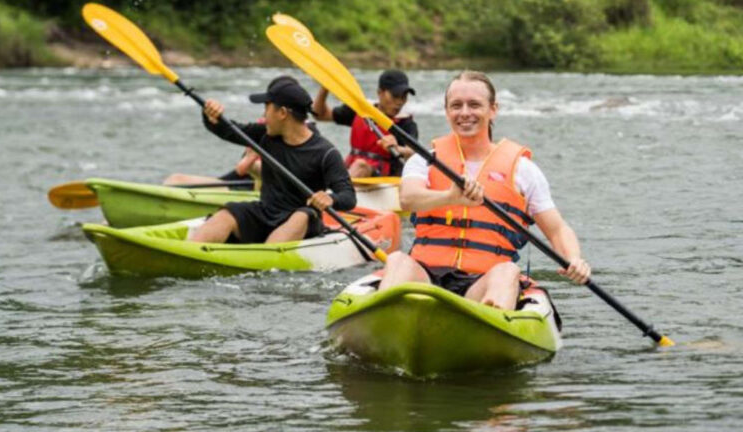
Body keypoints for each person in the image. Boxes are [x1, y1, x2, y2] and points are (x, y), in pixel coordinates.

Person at [379, 70, 590, 309]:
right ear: (447, 111)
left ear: (493, 109)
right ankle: (386, 321)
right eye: (456, 105)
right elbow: (408, 199)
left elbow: (557, 229)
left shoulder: (523, 170)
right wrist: (449, 197)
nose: (465, 113)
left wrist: (573, 258)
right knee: (397, 259)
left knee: (508, 271)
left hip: (482, 282)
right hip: (426, 276)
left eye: (474, 105)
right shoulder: (425, 159)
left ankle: (489, 324)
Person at [189, 75, 356, 244]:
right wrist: (210, 114)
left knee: (302, 215)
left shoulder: (326, 152)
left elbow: (348, 196)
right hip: (266, 212)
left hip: (304, 219)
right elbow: (227, 130)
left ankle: (264, 264)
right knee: (227, 213)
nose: (263, 115)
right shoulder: (265, 135)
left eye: (266, 108)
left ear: (282, 113)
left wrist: (331, 199)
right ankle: (191, 255)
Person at [312, 69, 419, 177]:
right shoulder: (362, 111)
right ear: (380, 93)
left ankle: (340, 190)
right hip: (353, 171)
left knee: (361, 166)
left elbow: (413, 152)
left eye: (404, 97)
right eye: (395, 96)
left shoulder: (406, 123)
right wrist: (325, 87)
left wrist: (398, 149)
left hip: (385, 178)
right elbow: (320, 115)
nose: (400, 102)